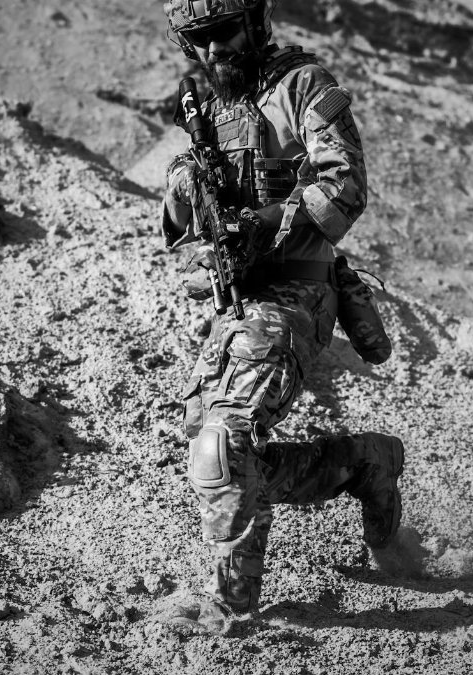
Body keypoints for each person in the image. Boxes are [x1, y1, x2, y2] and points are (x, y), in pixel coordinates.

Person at [156, 0, 406, 634]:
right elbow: (178, 222)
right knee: (221, 457)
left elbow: (345, 183)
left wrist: (262, 221)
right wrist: (189, 184)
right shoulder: (206, 109)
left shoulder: (301, 85)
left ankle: (231, 609)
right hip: (238, 301)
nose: (214, 49)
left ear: (255, 22)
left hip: (299, 291)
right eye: (199, 39)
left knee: (223, 442)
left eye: (224, 32)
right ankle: (361, 463)